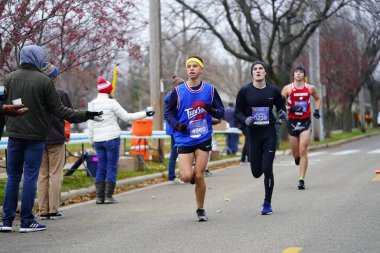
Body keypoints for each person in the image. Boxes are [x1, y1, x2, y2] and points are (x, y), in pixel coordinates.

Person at [0, 45, 103, 233]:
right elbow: (61, 111)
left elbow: (3, 106)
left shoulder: (10, 78)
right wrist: (87, 114)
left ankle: (6, 221)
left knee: (13, 177)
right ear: (37, 58)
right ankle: (26, 221)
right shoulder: (44, 82)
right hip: (36, 137)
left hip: (14, 135)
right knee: (31, 176)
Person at [164, 56, 224, 221]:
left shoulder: (210, 90)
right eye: (189, 66)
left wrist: (209, 108)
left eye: (195, 66)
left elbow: (220, 112)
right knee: (186, 177)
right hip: (183, 137)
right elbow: (167, 112)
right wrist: (177, 125)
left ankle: (200, 210)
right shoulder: (178, 91)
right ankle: (187, 171)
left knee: (199, 175)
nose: (191, 69)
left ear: (201, 69)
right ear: (186, 70)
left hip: (203, 136)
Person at [88, 76, 155, 204]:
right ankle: (108, 196)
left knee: (101, 167)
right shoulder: (112, 103)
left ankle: (99, 197)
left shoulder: (92, 104)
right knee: (111, 168)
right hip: (112, 139)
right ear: (109, 91)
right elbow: (127, 117)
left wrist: (91, 140)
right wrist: (145, 114)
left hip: (98, 140)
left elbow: (90, 125)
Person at [235, 60, 286, 215]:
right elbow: (238, 112)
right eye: (255, 69)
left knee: (267, 168)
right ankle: (261, 168)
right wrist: (246, 120)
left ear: (265, 72)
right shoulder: (244, 91)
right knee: (256, 172)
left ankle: (267, 203)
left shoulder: (273, 91)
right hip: (253, 135)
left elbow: (281, 107)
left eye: (261, 68)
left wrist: (282, 113)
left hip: (269, 133)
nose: (258, 71)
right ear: (252, 73)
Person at [36, 62, 72, 220]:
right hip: (56, 138)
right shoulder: (61, 93)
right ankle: (53, 209)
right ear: (53, 77)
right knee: (55, 173)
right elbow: (69, 114)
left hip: (38, 138)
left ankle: (42, 210)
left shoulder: (35, 93)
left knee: (42, 174)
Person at [281, 64, 320, 190]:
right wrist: (288, 108)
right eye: (296, 72)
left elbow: (318, 99)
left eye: (301, 72)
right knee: (295, 152)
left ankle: (301, 179)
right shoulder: (287, 89)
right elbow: (280, 105)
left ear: (304, 75)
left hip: (305, 122)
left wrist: (317, 110)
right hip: (292, 122)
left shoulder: (310, 88)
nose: (298, 73)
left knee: (303, 149)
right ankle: (296, 158)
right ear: (293, 75)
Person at [164, 75, 185, 184]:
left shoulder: (173, 94)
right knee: (177, 152)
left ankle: (173, 176)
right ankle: (173, 176)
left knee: (177, 152)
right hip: (175, 128)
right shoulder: (174, 95)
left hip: (175, 127)